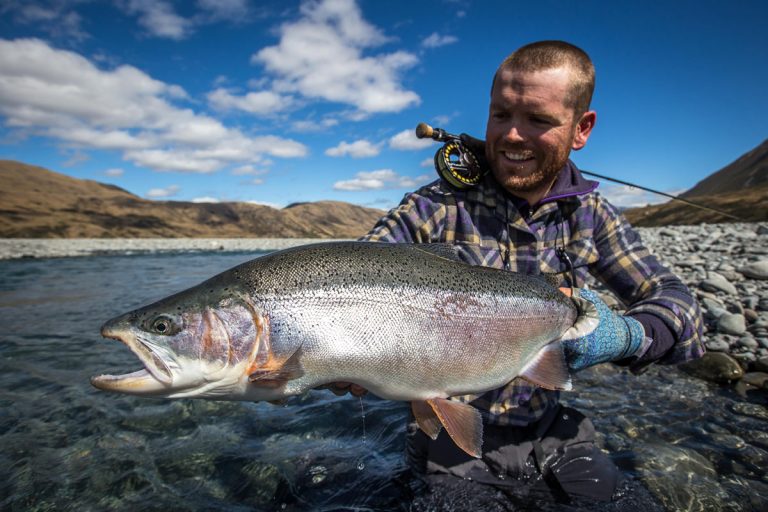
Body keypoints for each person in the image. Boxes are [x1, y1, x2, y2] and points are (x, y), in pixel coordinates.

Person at [328, 40, 704, 502]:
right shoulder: (433, 208)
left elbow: (681, 308)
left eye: (538, 120)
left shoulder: (592, 215)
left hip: (556, 433)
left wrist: (623, 337)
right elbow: (350, 275)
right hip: (446, 438)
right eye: (501, 115)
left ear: (581, 128)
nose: (511, 136)